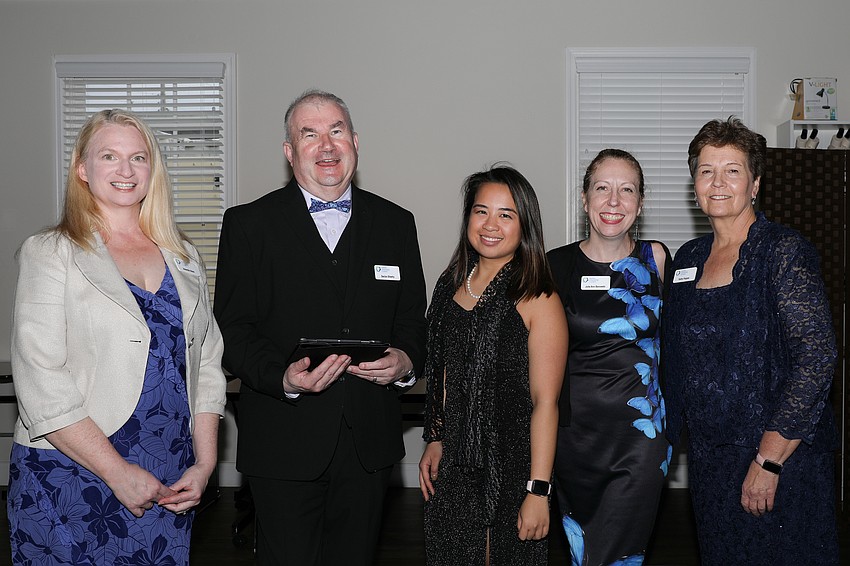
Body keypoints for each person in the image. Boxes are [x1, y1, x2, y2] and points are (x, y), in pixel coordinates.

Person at [214, 89, 427, 566]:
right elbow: (233, 329)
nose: (326, 146)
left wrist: (407, 360)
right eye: (309, 134)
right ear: (290, 152)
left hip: (367, 443)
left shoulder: (396, 223)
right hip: (283, 440)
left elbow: (413, 319)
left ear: (355, 141)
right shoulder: (249, 225)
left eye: (336, 131)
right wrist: (283, 377)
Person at [8, 109, 226, 564]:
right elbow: (40, 378)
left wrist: (204, 465)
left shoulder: (184, 255)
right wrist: (116, 471)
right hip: (71, 472)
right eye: (110, 156)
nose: (126, 171)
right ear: (83, 169)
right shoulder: (50, 252)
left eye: (139, 157)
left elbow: (206, 364)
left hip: (168, 471)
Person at [664, 117, 839, 564]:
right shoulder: (687, 259)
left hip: (776, 462)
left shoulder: (782, 251)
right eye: (706, 171)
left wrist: (768, 460)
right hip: (710, 463)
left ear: (755, 182)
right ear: (694, 183)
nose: (717, 182)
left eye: (732, 170)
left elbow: (816, 359)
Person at [418, 165, 568, 565]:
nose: (491, 225)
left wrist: (538, 491)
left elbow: (546, 402)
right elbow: (444, 373)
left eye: (506, 215)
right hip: (455, 466)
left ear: (525, 225)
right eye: (481, 211)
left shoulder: (537, 296)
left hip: (513, 465)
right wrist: (436, 437)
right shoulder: (450, 285)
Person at [546, 149, 671, 566]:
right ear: (584, 199)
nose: (614, 201)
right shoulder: (553, 266)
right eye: (602, 188)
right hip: (573, 439)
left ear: (640, 202)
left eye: (627, 190)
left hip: (640, 437)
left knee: (617, 555)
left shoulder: (657, 258)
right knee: (585, 552)